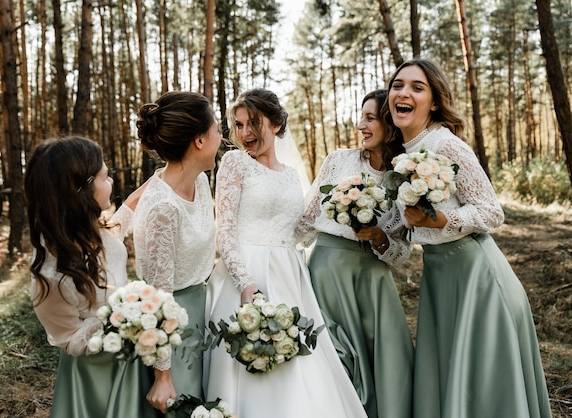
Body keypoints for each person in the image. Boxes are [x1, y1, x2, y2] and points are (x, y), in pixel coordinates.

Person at [382, 58, 552, 418]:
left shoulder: (447, 146)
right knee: (451, 377)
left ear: (435, 101)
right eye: (398, 85)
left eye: (417, 87)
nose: (404, 92)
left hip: (477, 277)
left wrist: (445, 218)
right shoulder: (402, 155)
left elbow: (493, 212)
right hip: (439, 275)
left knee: (484, 385)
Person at [205, 88, 368, 417]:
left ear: (277, 124)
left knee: (299, 361)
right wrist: (246, 282)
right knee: (252, 362)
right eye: (237, 125)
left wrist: (339, 205)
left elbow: (298, 231)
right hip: (247, 275)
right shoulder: (235, 163)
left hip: (290, 273)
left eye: (253, 123)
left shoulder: (291, 175)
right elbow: (223, 231)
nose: (244, 134)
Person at [299, 89, 414, 418]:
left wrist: (379, 238)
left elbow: (403, 251)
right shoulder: (339, 160)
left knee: (387, 355)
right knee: (334, 355)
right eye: (360, 117)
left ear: (389, 124)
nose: (360, 125)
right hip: (327, 271)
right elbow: (307, 216)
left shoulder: (404, 177)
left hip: (373, 278)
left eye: (370, 118)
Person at [26, 136, 154, 418]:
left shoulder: (96, 230)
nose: (111, 183)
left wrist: (160, 179)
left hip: (131, 356)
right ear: (81, 189)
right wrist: (119, 318)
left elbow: (124, 217)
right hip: (94, 375)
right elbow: (68, 338)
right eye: (105, 176)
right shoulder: (50, 274)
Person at [133, 91, 220, 416]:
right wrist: (163, 375)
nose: (221, 137)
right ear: (199, 140)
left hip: (201, 311)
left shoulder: (199, 182)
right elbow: (158, 297)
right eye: (218, 130)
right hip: (171, 326)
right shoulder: (163, 207)